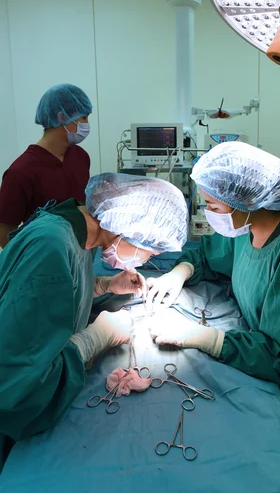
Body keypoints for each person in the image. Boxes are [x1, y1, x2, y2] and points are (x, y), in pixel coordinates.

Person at [147, 142, 280, 493]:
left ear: (247, 201)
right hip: (278, 365)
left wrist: (202, 337)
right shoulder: (247, 228)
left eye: (213, 205)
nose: (209, 212)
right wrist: (180, 272)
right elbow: (211, 253)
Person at [0, 173, 188, 471]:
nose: (145, 260)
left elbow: (57, 291)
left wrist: (103, 285)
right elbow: (15, 389)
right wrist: (97, 338)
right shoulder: (50, 246)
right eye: (151, 251)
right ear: (129, 227)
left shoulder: (75, 230)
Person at [0, 83, 93, 248]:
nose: (87, 124)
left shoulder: (80, 157)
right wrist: (36, 260)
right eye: (84, 117)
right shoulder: (21, 172)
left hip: (79, 252)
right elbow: (4, 232)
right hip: (44, 259)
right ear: (62, 117)